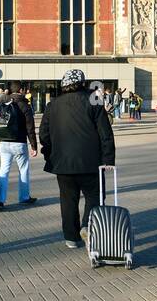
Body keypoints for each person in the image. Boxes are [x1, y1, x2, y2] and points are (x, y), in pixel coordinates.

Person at [39, 69, 115, 249]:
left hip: (62, 164)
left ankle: (71, 238)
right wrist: (108, 159)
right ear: (83, 83)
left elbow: (44, 134)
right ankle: (88, 225)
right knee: (95, 196)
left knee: (68, 200)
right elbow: (105, 133)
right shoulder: (93, 102)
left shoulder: (53, 105)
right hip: (90, 163)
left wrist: (49, 154)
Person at [0, 81, 39, 209]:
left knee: (3, 172)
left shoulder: (3, 104)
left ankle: (0, 200)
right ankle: (24, 197)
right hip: (20, 143)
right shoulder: (25, 106)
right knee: (23, 170)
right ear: (21, 90)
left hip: (4, 143)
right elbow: (30, 128)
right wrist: (34, 146)